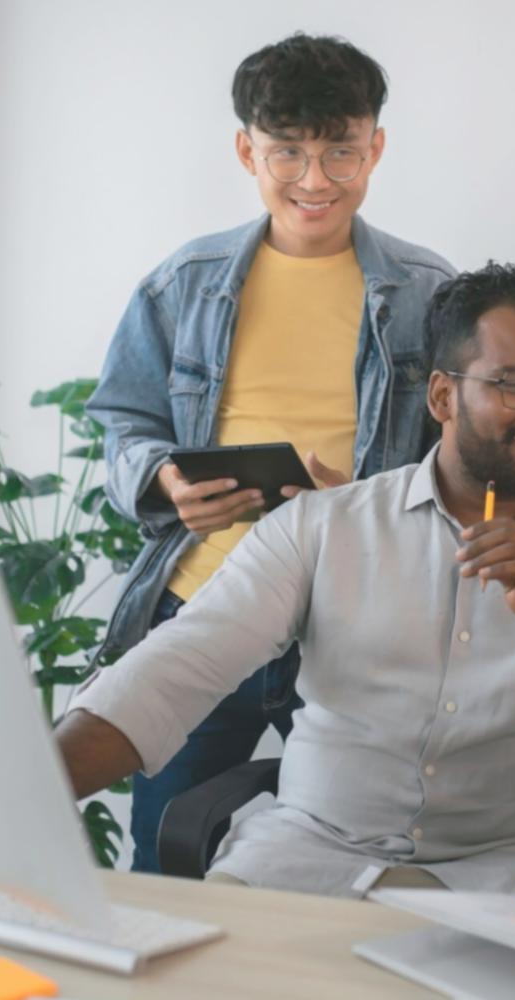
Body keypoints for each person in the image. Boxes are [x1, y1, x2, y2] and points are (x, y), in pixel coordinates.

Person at [0, 262, 515, 895]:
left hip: (504, 883)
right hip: (304, 864)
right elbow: (172, 670)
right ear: (442, 396)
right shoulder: (323, 526)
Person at [85, 33, 455, 872]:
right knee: (165, 857)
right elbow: (120, 419)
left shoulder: (430, 294)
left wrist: (366, 499)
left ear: (376, 149)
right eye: (288, 152)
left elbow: (463, 459)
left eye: (340, 152)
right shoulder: (186, 281)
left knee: (361, 856)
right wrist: (164, 479)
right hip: (202, 604)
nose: (315, 180)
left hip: (354, 618)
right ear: (248, 149)